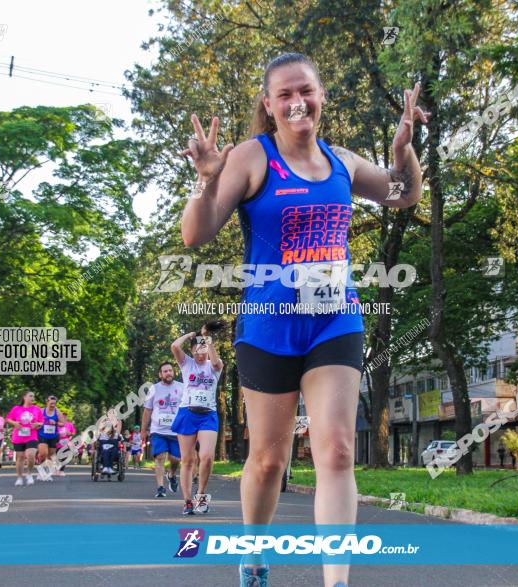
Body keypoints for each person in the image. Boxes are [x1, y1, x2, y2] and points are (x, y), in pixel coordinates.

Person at [178, 52, 427, 587]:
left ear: (321, 96)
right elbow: (195, 235)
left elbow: (405, 195)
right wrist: (205, 179)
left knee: (335, 449)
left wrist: (404, 151)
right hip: (269, 322)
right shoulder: (251, 156)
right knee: (268, 460)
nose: (297, 102)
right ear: (268, 105)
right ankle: (254, 553)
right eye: (284, 94)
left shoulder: (342, 161)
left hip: (334, 318)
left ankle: (335, 581)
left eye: (306, 91)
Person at [169, 325, 223, 515]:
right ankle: (187, 501)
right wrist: (191, 335)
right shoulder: (187, 364)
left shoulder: (214, 366)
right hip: (187, 413)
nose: (200, 354)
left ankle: (200, 495)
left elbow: (216, 363)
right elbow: (175, 347)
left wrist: (207, 338)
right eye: (196, 350)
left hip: (208, 415)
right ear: (192, 352)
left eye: (203, 350)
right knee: (188, 460)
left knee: (207, 457)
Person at [140, 361, 184, 498]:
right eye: (165, 371)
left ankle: (171, 474)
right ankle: (160, 488)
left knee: (176, 458)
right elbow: (147, 410)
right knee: (159, 457)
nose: (168, 373)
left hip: (176, 430)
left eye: (170, 370)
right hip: (158, 430)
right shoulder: (154, 388)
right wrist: (143, 430)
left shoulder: (182, 387)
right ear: (160, 374)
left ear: (174, 372)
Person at [6, 391, 43, 486]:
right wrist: (14, 423)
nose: (32, 398)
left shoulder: (37, 409)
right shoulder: (16, 408)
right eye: (30, 396)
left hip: (32, 436)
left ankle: (29, 474)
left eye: (33, 396)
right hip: (18, 436)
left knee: (31, 455)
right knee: (20, 457)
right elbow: (8, 419)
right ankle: (19, 477)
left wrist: (37, 424)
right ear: (24, 397)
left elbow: (41, 422)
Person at [36, 395, 61, 481]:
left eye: (54, 403)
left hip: (53, 436)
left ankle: (47, 473)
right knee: (43, 453)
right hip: (42, 435)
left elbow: (63, 423)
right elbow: (36, 422)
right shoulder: (41, 411)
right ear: (47, 402)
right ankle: (41, 471)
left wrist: (56, 423)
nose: (52, 405)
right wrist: (43, 423)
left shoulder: (57, 412)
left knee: (50, 455)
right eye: (51, 403)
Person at [55, 412, 76, 477]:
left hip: (66, 443)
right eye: (62, 416)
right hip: (57, 443)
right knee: (57, 457)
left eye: (65, 416)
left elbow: (73, 433)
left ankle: (61, 470)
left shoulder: (70, 424)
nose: (64, 417)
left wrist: (70, 434)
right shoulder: (56, 424)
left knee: (65, 457)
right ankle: (56, 470)